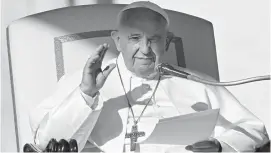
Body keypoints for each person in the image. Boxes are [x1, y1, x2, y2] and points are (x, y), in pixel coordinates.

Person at [29, 1, 269, 152]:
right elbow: (45, 143)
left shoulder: (197, 83)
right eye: (135, 38)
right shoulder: (82, 83)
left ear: (167, 41)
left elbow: (253, 129)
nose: (145, 49)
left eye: (153, 39)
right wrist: (86, 94)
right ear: (117, 40)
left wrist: (221, 147)